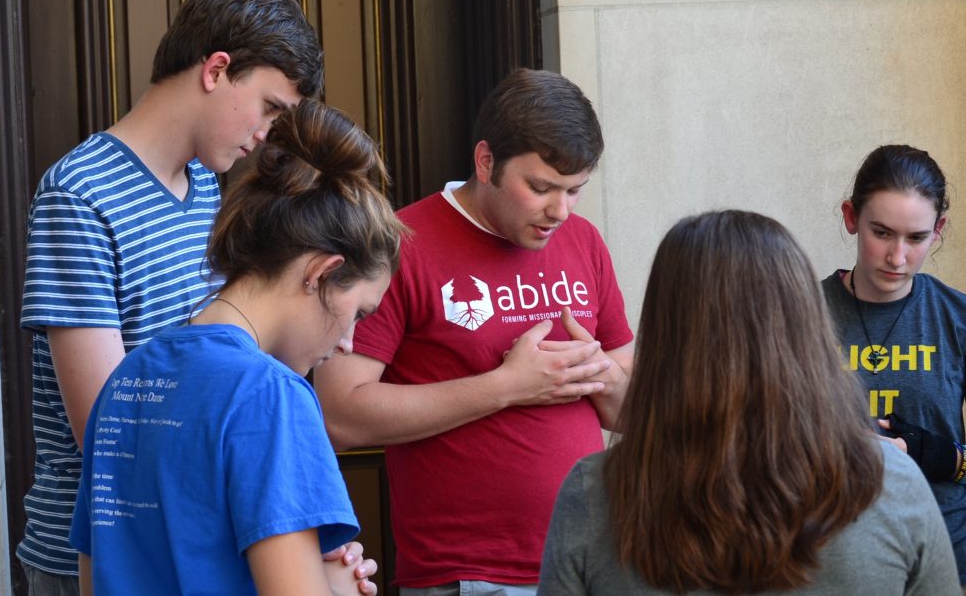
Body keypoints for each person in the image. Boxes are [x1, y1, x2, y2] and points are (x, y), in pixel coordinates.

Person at [17, 0, 322, 593]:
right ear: (215, 69)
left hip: (186, 539)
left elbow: (217, 364)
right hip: (102, 556)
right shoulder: (78, 195)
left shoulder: (206, 187)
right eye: (269, 107)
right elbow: (110, 423)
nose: (267, 134)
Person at [314, 68, 634, 594]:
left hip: (591, 563)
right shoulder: (403, 245)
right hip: (467, 577)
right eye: (540, 188)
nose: (561, 211)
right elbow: (338, 414)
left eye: (575, 190)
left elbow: (634, 413)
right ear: (485, 161)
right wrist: (507, 387)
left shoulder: (585, 242)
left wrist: (605, 377)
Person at [69, 99, 399, 595]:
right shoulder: (272, 395)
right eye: (358, 313)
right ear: (321, 272)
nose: (349, 342)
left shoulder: (129, 376)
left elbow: (94, 576)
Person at [539, 209, 959, 595]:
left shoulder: (595, 494)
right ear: (809, 328)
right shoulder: (892, 484)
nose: (897, 255)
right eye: (882, 231)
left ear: (666, 333)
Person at [821, 144, 966, 587]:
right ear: (851, 217)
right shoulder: (799, 314)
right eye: (881, 232)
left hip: (945, 554)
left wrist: (935, 455)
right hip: (832, 555)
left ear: (938, 230)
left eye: (916, 238)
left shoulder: (956, 318)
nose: (898, 257)